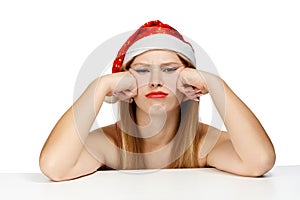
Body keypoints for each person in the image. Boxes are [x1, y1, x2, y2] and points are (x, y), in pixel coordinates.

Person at [39, 20, 276, 181]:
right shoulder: (112, 144)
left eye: (170, 70)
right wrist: (100, 86)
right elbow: (55, 167)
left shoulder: (203, 144)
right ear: (124, 84)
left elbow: (259, 161)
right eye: (142, 71)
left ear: (191, 82)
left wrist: (215, 84)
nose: (155, 81)